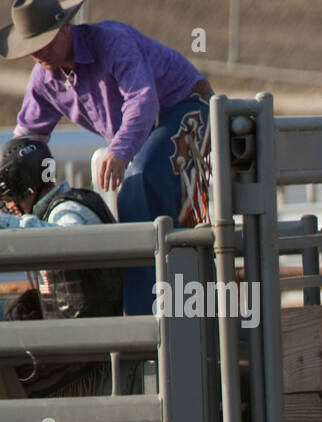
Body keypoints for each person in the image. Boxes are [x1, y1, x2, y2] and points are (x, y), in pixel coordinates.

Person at [2, 0, 215, 316]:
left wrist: (119, 151)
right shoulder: (44, 79)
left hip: (186, 107)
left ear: (65, 28)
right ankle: (144, 303)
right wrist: (7, 179)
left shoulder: (112, 41)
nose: (37, 53)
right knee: (133, 183)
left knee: (139, 181)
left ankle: (145, 315)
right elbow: (27, 137)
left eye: (41, 42)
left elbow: (142, 101)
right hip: (142, 138)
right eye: (30, 47)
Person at [0, 135, 125, 400]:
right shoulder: (58, 208)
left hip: (90, 361)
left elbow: (64, 239)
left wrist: (7, 227)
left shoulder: (67, 210)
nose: (9, 205)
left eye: (11, 195)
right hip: (80, 347)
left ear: (25, 187)